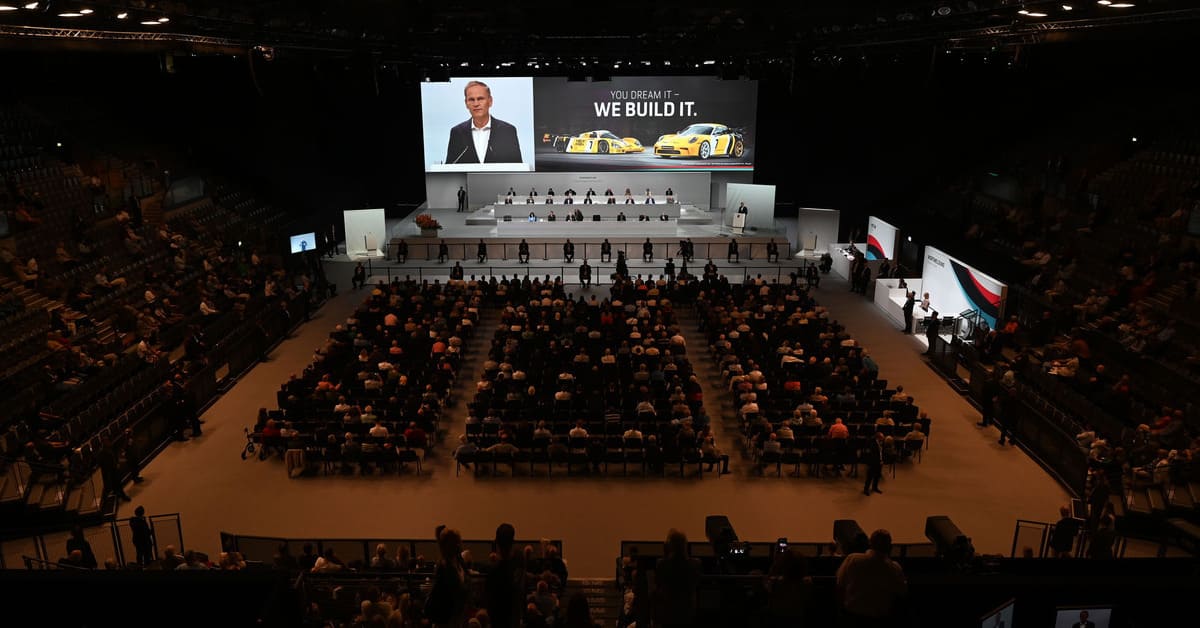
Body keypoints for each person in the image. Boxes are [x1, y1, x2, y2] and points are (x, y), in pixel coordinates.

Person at [835, 529, 907, 627]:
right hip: (880, 621)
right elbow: (902, 592)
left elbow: (840, 583)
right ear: (890, 547)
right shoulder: (894, 568)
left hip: (852, 617)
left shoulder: (853, 559)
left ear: (870, 543)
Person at [444, 80, 522, 164]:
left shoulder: (507, 131)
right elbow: (450, 166)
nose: (476, 104)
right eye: (471, 99)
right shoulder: (457, 132)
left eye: (480, 99)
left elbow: (518, 167)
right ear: (466, 103)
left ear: (490, 101)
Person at [654, 529, 701, 628]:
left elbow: (658, 585)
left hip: (668, 611)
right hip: (688, 611)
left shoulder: (662, 565)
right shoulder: (694, 564)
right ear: (685, 545)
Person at [485, 523, 525, 628]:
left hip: (498, 617)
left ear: (497, 543)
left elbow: (489, 598)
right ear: (512, 542)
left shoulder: (494, 570)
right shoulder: (518, 562)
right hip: (513, 614)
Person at [428, 528, 470, 627]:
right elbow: (454, 591)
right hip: (447, 618)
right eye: (457, 542)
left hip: (456, 616)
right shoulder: (444, 567)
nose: (460, 544)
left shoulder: (458, 562)